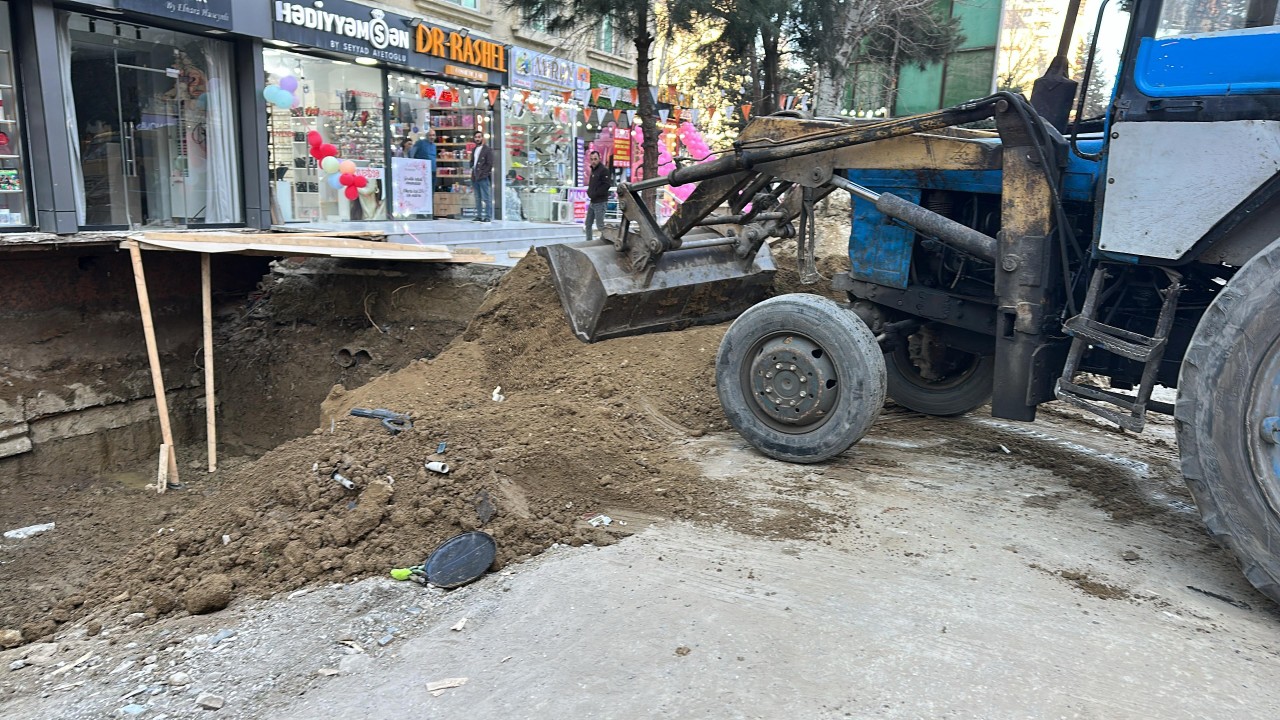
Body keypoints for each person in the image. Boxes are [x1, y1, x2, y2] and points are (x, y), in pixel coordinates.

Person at [585, 149, 610, 241]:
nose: (593, 161)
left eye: (595, 159)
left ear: (599, 158)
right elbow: (592, 184)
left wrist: (595, 194)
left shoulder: (603, 170)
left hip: (600, 202)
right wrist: (589, 192)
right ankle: (589, 241)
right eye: (591, 159)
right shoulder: (593, 170)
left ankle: (607, 240)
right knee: (588, 224)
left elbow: (606, 185)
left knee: (600, 226)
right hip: (593, 201)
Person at [471, 131, 494, 222]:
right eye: (476, 137)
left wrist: (484, 174)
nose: (477, 139)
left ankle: (488, 216)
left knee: (486, 197)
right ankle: (479, 216)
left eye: (479, 137)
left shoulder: (487, 150)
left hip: (483, 176)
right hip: (475, 175)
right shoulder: (474, 149)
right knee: (477, 197)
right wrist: (472, 168)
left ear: (482, 138)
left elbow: (490, 164)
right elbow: (472, 161)